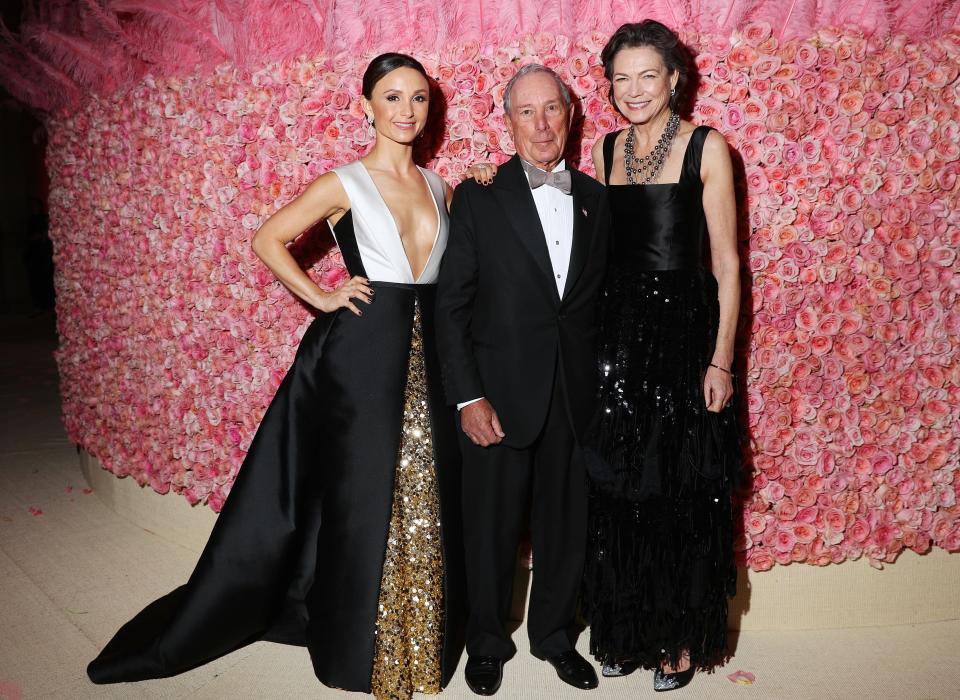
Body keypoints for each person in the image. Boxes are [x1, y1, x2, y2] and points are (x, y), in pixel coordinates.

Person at [87, 53, 466, 700]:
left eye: (420, 98)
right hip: (359, 357)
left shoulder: (441, 187)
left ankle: (417, 629)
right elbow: (268, 238)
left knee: (421, 492)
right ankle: (355, 650)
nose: (407, 110)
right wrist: (319, 297)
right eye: (392, 96)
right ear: (365, 107)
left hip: (429, 353)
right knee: (360, 499)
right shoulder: (342, 183)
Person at [435, 64, 610, 696]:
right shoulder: (479, 195)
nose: (542, 124)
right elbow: (451, 305)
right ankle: (485, 643)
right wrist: (468, 395)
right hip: (498, 398)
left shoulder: (596, 197)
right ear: (507, 122)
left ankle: (556, 637)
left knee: (566, 527)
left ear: (571, 115)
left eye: (552, 110)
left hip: (575, 397)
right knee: (490, 528)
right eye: (527, 111)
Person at [581, 20, 741, 692]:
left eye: (649, 75)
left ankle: (674, 638)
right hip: (616, 340)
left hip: (684, 341)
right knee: (618, 489)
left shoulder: (709, 148)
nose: (635, 89)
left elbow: (729, 265)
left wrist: (721, 360)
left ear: (675, 77)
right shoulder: (605, 149)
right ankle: (622, 630)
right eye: (622, 77)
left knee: (676, 490)